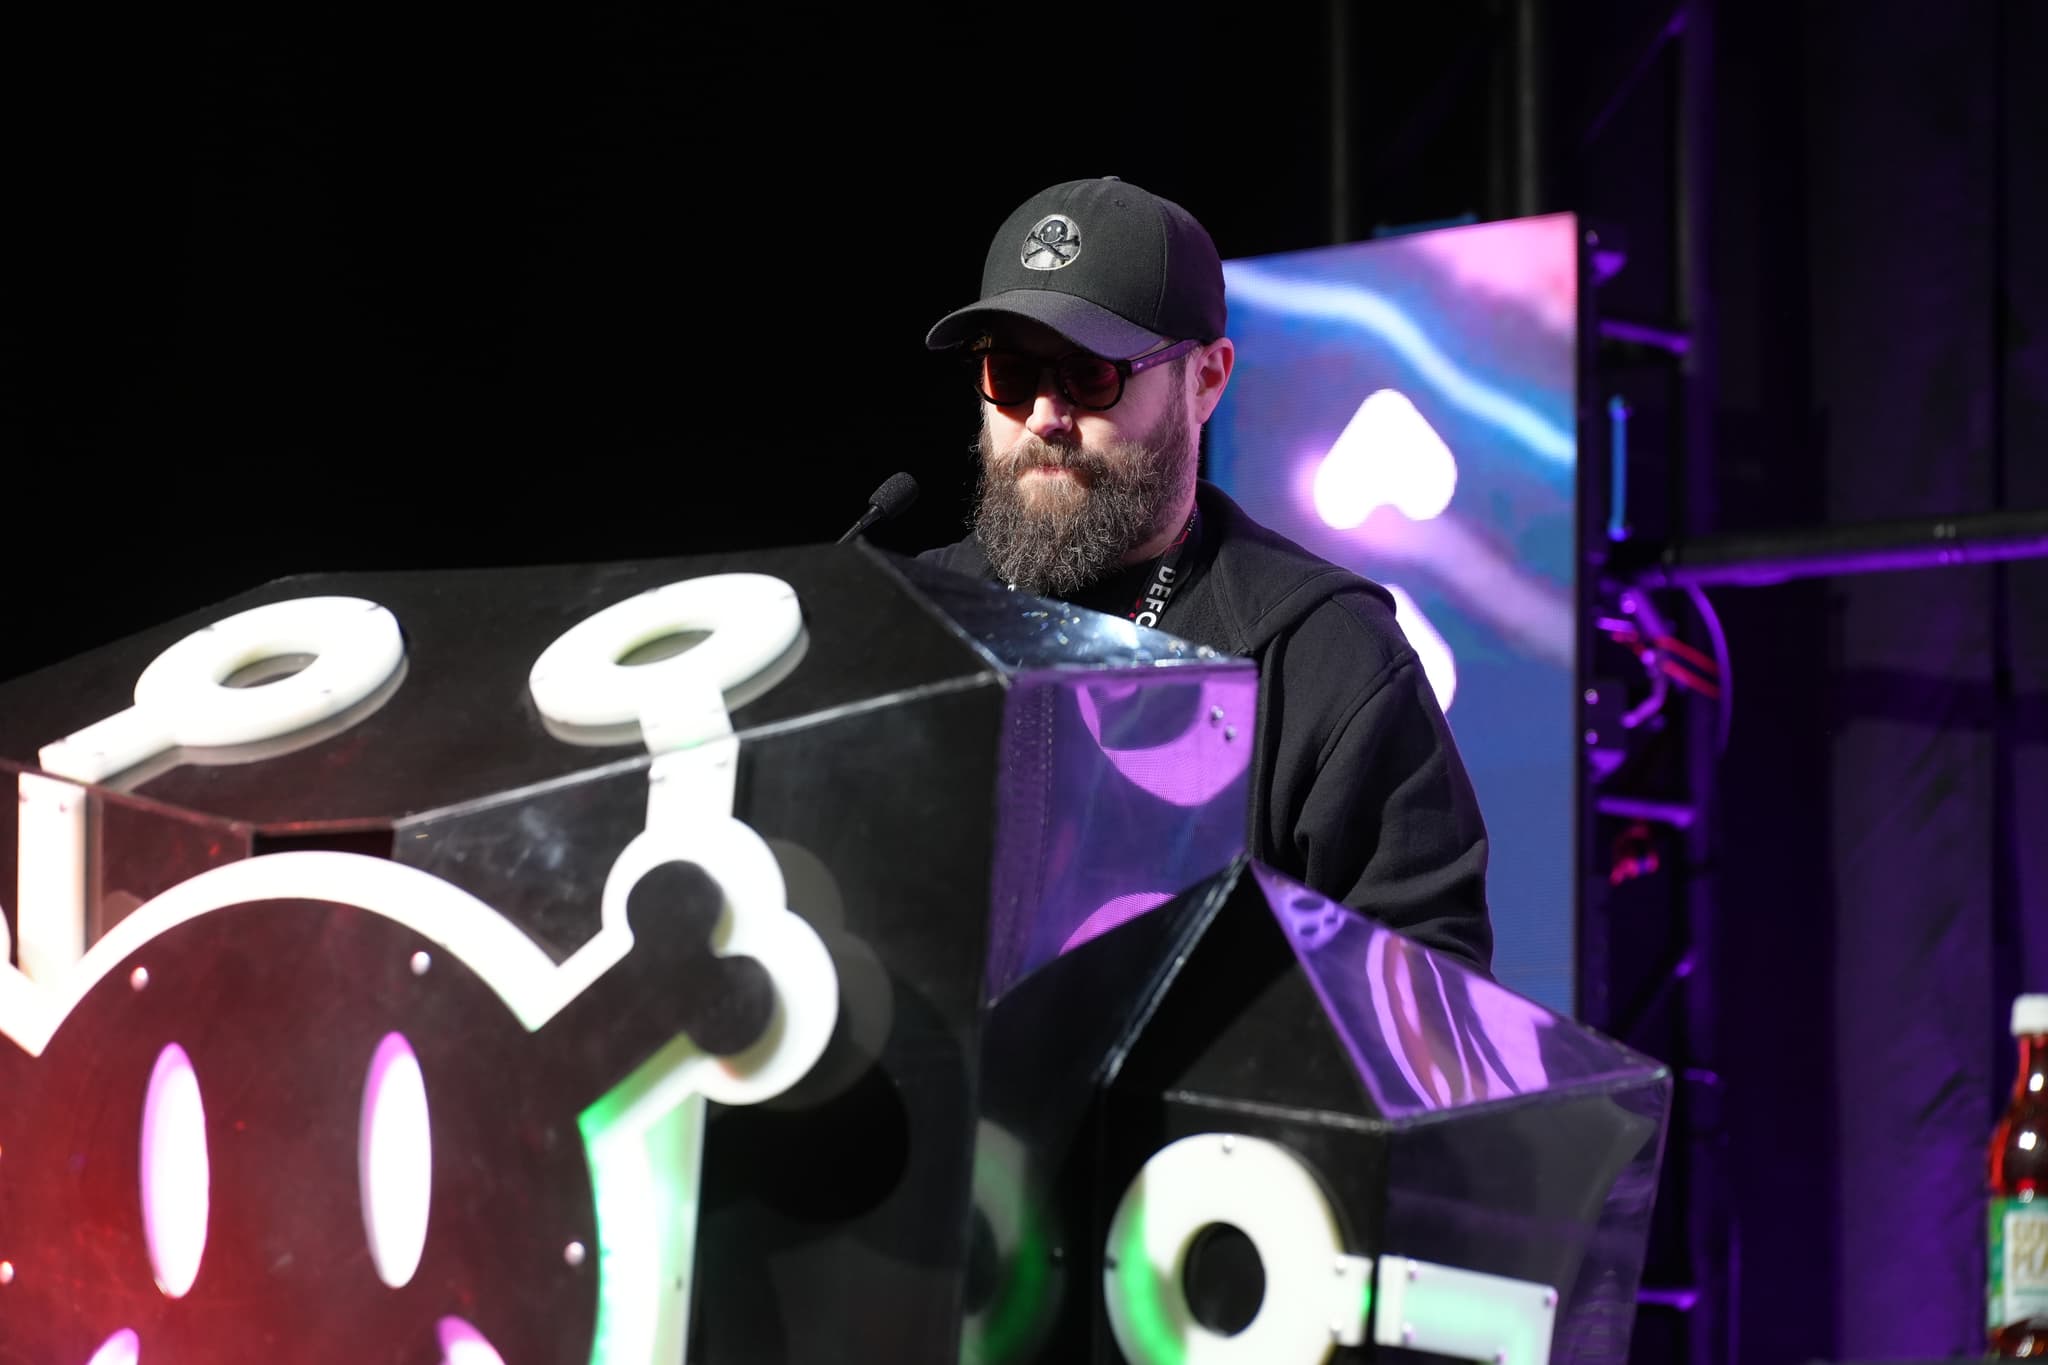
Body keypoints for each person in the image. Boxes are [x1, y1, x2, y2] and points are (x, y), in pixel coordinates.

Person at [920, 176, 1493, 972]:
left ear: (1208, 379)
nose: (1046, 417)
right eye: (1011, 377)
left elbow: (1428, 1002)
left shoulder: (1325, 655)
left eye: (1091, 375)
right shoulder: (914, 618)